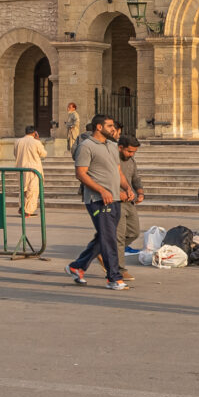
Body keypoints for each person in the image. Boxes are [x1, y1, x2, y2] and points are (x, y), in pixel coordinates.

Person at [66, 114, 130, 290]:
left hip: (115, 198)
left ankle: (77, 266)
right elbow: (81, 173)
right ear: (99, 127)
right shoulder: (86, 146)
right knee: (109, 238)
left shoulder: (112, 145)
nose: (113, 129)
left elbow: (118, 171)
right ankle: (114, 278)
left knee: (104, 236)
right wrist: (101, 190)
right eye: (110, 126)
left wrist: (127, 188)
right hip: (98, 200)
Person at [11, 123, 49, 217]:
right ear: (34, 133)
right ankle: (28, 210)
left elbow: (15, 154)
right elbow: (43, 154)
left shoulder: (18, 141)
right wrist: (38, 140)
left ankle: (22, 207)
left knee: (23, 189)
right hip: (33, 169)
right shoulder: (36, 142)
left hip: (21, 168)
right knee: (32, 190)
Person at [117, 137, 144, 249]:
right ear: (120, 148)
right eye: (129, 151)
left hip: (129, 201)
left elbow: (136, 179)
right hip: (116, 201)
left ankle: (109, 250)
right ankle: (112, 255)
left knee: (134, 232)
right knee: (119, 234)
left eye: (134, 152)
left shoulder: (131, 161)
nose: (132, 154)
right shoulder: (113, 160)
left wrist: (140, 193)